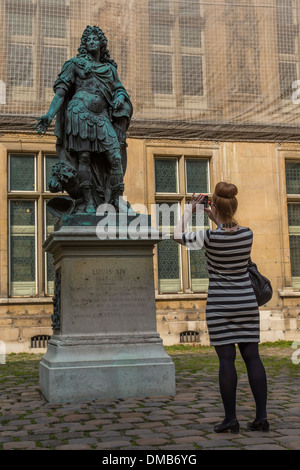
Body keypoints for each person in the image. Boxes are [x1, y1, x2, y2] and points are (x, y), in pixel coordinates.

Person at [173, 182, 269, 433]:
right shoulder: (247, 233)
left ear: (214, 207)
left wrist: (190, 210)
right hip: (246, 303)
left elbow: (176, 235)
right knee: (253, 358)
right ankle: (261, 417)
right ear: (234, 207)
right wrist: (218, 217)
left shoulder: (208, 237)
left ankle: (231, 419)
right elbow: (230, 231)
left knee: (227, 360)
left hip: (220, 306)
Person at [35, 25, 133, 215]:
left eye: (95, 39)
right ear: (83, 44)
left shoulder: (109, 69)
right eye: (87, 40)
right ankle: (88, 203)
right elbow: (61, 93)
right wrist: (49, 115)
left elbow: (118, 88)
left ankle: (118, 200)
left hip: (102, 117)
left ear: (101, 43)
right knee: (84, 158)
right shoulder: (74, 65)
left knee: (115, 156)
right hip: (79, 114)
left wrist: (120, 97)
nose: (91, 42)